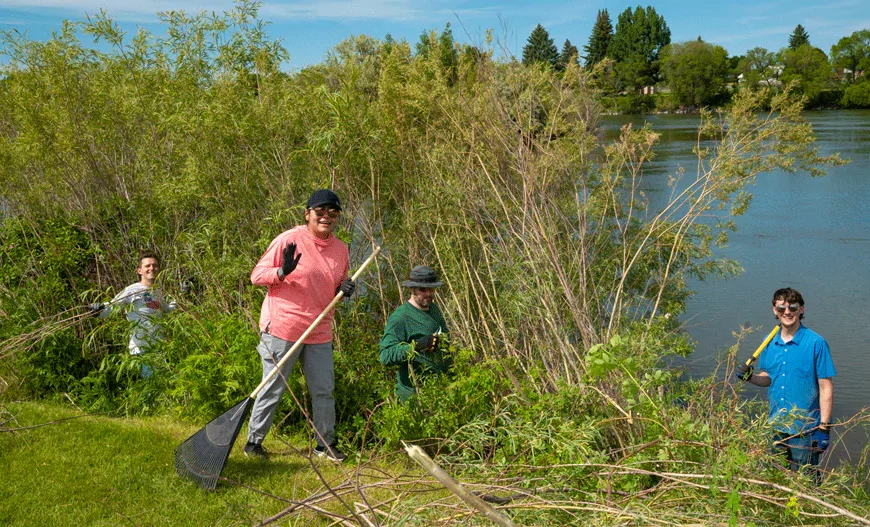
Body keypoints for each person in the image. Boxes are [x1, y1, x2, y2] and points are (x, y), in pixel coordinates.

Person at [243, 189, 355, 462]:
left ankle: (324, 445)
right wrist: (282, 272)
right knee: (273, 387)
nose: (326, 217)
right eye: (320, 211)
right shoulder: (289, 239)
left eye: (332, 212)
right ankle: (253, 443)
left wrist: (345, 287)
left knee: (323, 391)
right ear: (307, 214)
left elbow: (337, 281)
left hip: (320, 330)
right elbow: (256, 276)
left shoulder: (340, 249)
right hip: (283, 327)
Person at [736, 287, 836, 484]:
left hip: (804, 429)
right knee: (776, 479)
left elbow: (826, 387)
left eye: (792, 307)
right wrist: (750, 377)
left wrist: (824, 428)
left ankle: (811, 511)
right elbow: (768, 377)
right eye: (781, 308)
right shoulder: (768, 341)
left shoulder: (816, 343)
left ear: (801, 309)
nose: (787, 312)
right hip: (775, 425)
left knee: (807, 482)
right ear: (774, 310)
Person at [89, 252, 177, 378]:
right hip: (142, 347)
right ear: (139, 271)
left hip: (158, 346)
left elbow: (167, 309)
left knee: (161, 386)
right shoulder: (132, 290)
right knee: (153, 386)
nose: (152, 268)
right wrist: (97, 310)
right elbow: (112, 306)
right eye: (148, 266)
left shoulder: (157, 291)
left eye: (155, 265)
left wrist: (182, 295)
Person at [379, 265, 450, 402]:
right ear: (412, 289)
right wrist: (417, 346)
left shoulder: (434, 309)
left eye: (431, 289)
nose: (428, 294)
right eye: (423, 290)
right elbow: (385, 355)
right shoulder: (401, 317)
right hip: (414, 396)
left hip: (438, 392)